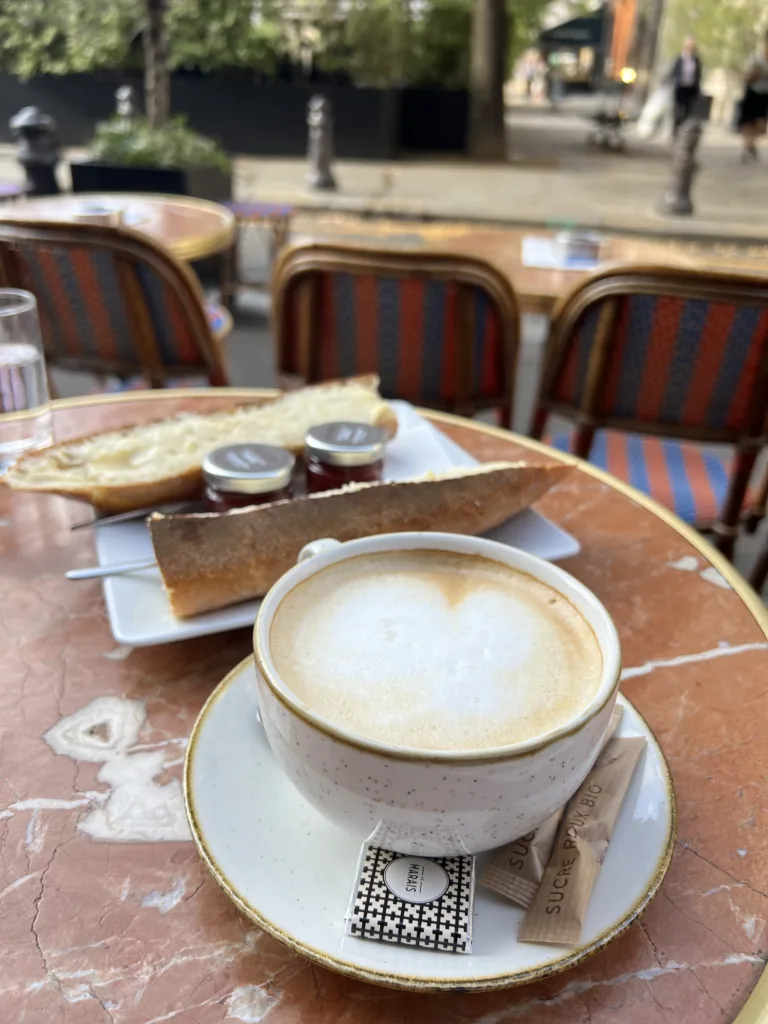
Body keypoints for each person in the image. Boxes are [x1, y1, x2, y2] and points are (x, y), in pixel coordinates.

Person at [739, 30, 768, 162]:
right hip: (752, 92)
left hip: (765, 95)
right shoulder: (755, 57)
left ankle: (751, 144)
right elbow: (745, 76)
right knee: (748, 122)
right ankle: (747, 145)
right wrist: (753, 74)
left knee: (760, 124)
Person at [669, 37, 702, 137]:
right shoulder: (679, 59)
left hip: (690, 88)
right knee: (677, 110)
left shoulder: (696, 61)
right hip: (680, 88)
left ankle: (683, 131)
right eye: (689, 46)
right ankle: (675, 130)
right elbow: (673, 72)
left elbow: (698, 76)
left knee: (687, 111)